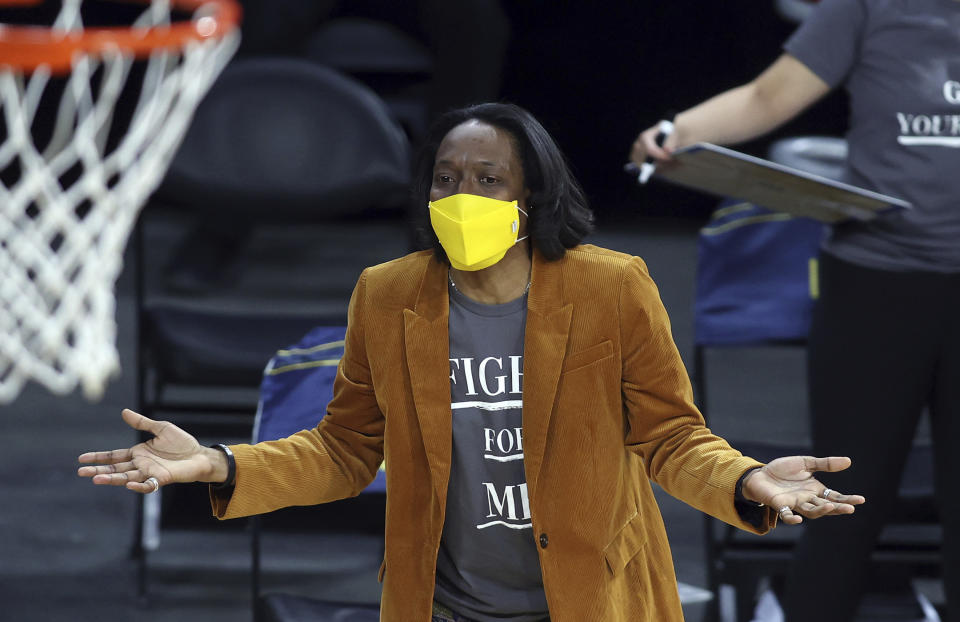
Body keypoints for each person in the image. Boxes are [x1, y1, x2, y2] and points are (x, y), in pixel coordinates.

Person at [80, 103, 864, 622]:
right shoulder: (387, 295)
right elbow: (346, 449)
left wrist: (745, 479)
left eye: (489, 180)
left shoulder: (611, 287)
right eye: (447, 179)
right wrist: (217, 464)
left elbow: (668, 437)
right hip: (446, 605)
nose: (462, 195)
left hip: (591, 602)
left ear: (533, 199)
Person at [629, 2, 960, 621]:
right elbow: (766, 96)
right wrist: (682, 131)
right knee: (841, 505)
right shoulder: (868, 7)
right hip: (876, 284)